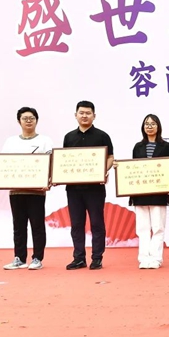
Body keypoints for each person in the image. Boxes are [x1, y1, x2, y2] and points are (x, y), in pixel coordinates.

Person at [0, 107, 54, 270]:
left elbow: (51, 163)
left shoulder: (45, 141)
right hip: (16, 191)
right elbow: (3, 164)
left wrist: (49, 180)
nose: (28, 121)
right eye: (25, 118)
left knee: (37, 225)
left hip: (37, 191)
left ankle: (37, 258)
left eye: (32, 118)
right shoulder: (11, 142)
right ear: (19, 121)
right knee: (18, 226)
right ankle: (19, 258)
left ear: (37, 120)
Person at [63, 101, 114, 271]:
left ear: (94, 115)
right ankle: (79, 258)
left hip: (95, 189)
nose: (84, 116)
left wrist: (103, 171)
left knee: (97, 223)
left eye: (88, 113)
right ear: (75, 115)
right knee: (76, 224)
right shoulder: (69, 137)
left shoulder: (102, 136)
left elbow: (110, 158)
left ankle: (97, 258)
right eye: (81, 113)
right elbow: (64, 161)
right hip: (73, 189)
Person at [130, 114, 169, 270]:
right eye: (146, 124)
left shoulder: (166, 146)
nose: (149, 126)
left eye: (153, 123)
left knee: (158, 227)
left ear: (158, 126)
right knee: (142, 229)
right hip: (140, 193)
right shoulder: (137, 147)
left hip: (159, 193)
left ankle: (155, 258)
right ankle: (144, 258)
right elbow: (133, 169)